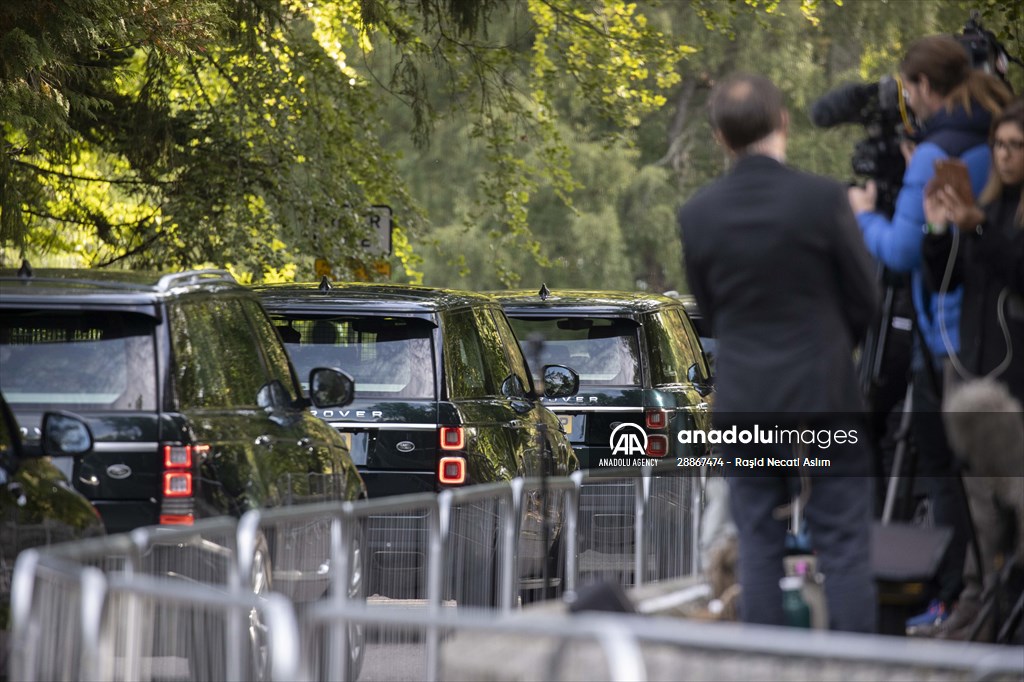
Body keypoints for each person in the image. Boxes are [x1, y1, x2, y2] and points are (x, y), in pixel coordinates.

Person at [678, 73, 880, 633]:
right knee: (843, 545)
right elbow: (866, 296)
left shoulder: (699, 215)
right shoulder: (822, 199)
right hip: (824, 394)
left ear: (720, 137)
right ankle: (856, 673)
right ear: (783, 122)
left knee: (758, 546)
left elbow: (713, 314)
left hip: (747, 400)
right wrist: (835, 350)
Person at [847, 35, 1013, 634]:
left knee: (949, 468)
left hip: (947, 332)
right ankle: (978, 591)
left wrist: (864, 212)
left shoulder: (935, 153)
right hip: (994, 327)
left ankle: (955, 595)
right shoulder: (993, 130)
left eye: (908, 90)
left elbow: (900, 251)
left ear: (920, 89)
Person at [922, 98, 1024, 640]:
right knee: (981, 512)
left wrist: (980, 229)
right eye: (999, 146)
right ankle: (985, 609)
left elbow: (1014, 266)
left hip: (1015, 389)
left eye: (1016, 147)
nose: (1005, 157)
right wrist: (941, 229)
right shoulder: (991, 209)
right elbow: (954, 275)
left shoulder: (1000, 222)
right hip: (979, 378)